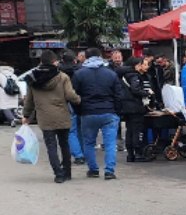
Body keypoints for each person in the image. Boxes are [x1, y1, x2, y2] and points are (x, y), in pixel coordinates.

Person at [21, 50, 80, 183]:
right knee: (64, 144)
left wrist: (26, 115)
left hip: (44, 117)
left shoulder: (32, 78)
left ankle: (58, 174)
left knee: (51, 146)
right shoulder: (62, 77)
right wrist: (79, 100)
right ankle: (67, 172)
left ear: (41, 62)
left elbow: (29, 100)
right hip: (62, 115)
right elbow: (70, 96)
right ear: (55, 62)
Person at [71, 48, 123, 180]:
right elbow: (118, 95)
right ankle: (109, 171)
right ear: (100, 57)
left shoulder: (79, 74)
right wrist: (117, 111)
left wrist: (79, 111)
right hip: (109, 112)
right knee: (110, 143)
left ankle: (93, 169)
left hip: (88, 113)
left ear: (85, 58)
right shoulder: (110, 74)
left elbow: (74, 96)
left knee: (89, 143)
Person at [118, 57, 154, 162]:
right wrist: (147, 93)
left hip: (126, 107)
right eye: (142, 64)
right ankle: (138, 154)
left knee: (129, 131)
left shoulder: (124, 75)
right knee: (137, 130)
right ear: (136, 65)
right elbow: (135, 89)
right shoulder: (134, 76)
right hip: (135, 106)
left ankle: (130, 155)